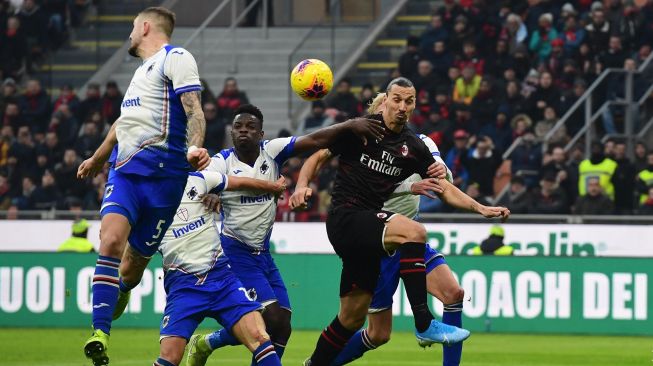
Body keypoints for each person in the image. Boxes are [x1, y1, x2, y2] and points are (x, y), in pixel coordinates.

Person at [290, 92, 510, 366]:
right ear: (382, 106)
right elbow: (326, 159)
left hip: (400, 241)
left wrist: (480, 208)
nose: (400, 107)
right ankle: (421, 322)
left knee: (448, 294)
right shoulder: (360, 132)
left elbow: (443, 185)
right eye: (393, 101)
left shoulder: (416, 145)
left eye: (408, 102)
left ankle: (318, 363)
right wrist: (301, 185)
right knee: (377, 330)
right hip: (366, 229)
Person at [188, 103, 385, 363]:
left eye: (250, 127)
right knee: (271, 319)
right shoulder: (220, 162)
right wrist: (213, 193)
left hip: (263, 254)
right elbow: (203, 181)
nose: (243, 131)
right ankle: (206, 343)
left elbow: (315, 139)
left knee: (283, 326)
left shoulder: (271, 151)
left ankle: (206, 342)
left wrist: (350, 125)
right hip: (236, 251)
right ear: (231, 132)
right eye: (238, 127)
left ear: (261, 133)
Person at [75, 7, 211, 366]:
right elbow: (123, 123)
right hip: (127, 174)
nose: (130, 34)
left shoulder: (175, 57)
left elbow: (194, 109)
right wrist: (98, 157)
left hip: (166, 182)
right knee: (110, 240)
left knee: (131, 272)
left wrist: (196, 146)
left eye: (133, 27)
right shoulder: (138, 77)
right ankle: (99, 333)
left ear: (146, 26)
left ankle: (119, 292)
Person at [157, 170, 286, 366]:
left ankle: (206, 343)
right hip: (185, 286)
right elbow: (134, 254)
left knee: (262, 335)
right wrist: (124, 285)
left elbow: (238, 182)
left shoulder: (199, 179)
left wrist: (272, 187)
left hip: (222, 278)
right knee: (170, 357)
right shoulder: (148, 200)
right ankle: (203, 344)